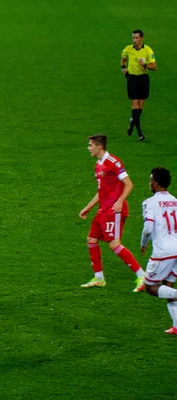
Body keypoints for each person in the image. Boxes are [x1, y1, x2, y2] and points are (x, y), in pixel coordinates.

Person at [79, 134, 145, 291]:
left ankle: (142, 276)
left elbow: (128, 184)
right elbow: (101, 191)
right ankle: (99, 278)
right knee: (91, 239)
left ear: (99, 147)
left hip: (113, 211)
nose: (88, 148)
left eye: (90, 145)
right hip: (103, 210)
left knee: (114, 244)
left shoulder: (113, 162)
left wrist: (120, 201)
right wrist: (88, 207)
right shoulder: (98, 165)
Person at [140, 167, 177, 335]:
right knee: (168, 285)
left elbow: (148, 228)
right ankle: (176, 326)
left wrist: (143, 244)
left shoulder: (150, 202)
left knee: (150, 287)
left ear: (155, 183)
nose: (149, 183)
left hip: (163, 252)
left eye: (150, 181)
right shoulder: (175, 201)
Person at [121, 29, 157, 141]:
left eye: (136, 38)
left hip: (143, 79)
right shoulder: (128, 49)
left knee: (141, 106)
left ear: (141, 38)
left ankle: (132, 122)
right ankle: (140, 133)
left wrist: (145, 65)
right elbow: (123, 60)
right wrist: (123, 69)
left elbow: (154, 67)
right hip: (132, 79)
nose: (134, 40)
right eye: (133, 38)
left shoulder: (147, 50)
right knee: (135, 105)